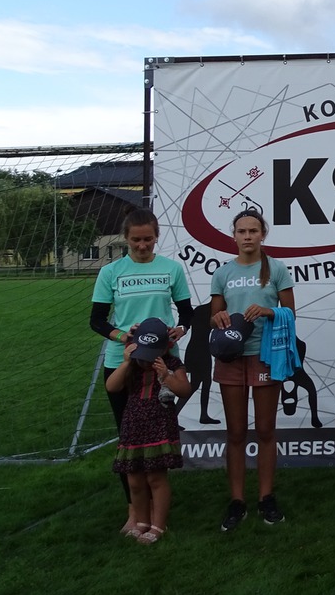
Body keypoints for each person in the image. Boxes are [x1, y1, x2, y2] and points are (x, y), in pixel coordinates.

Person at [89, 208, 192, 536]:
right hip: (123, 363)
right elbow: (97, 320)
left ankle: (156, 511)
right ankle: (134, 510)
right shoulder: (111, 272)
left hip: (162, 363)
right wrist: (124, 337)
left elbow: (187, 313)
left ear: (156, 236)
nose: (142, 245)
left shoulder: (171, 269)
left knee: (156, 434)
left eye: (148, 239)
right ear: (126, 238)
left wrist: (180, 329)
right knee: (128, 439)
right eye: (136, 240)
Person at [210, 208, 295, 531]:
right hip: (231, 357)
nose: (247, 236)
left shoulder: (276, 269)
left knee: (265, 430)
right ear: (233, 236)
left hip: (265, 355)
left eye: (253, 231)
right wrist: (218, 318)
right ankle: (237, 501)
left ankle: (266, 498)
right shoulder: (223, 273)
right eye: (242, 231)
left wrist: (269, 311)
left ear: (263, 234)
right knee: (235, 432)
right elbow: (214, 317)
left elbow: (290, 312)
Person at [106, 317, 191, 544]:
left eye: (152, 354)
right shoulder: (132, 365)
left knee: (155, 477)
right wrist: (125, 363)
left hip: (159, 425)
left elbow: (184, 390)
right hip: (133, 426)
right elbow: (112, 387)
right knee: (134, 479)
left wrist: (166, 376)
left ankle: (158, 525)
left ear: (164, 349)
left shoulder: (172, 364)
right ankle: (141, 521)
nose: (146, 360)